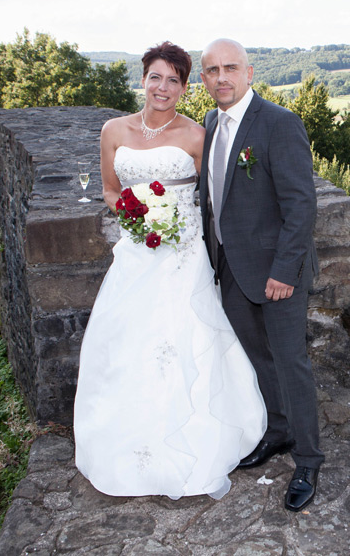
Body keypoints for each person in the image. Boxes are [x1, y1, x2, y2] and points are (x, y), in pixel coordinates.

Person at [73, 41, 266, 500]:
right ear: (143, 80)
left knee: (184, 339)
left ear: (185, 87)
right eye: (155, 77)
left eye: (173, 80)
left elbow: (218, 196)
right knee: (126, 341)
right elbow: (108, 189)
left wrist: (176, 225)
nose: (163, 87)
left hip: (181, 256)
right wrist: (136, 216)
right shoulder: (112, 130)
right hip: (137, 252)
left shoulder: (199, 135)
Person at [199, 38, 323, 512]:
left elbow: (301, 205)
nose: (222, 77)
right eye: (212, 70)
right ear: (204, 79)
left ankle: (309, 460)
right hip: (231, 268)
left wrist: (284, 271)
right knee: (258, 358)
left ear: (250, 73)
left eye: (231, 68)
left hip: (277, 274)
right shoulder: (212, 122)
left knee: (291, 363)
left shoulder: (279, 123)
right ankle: (278, 431)